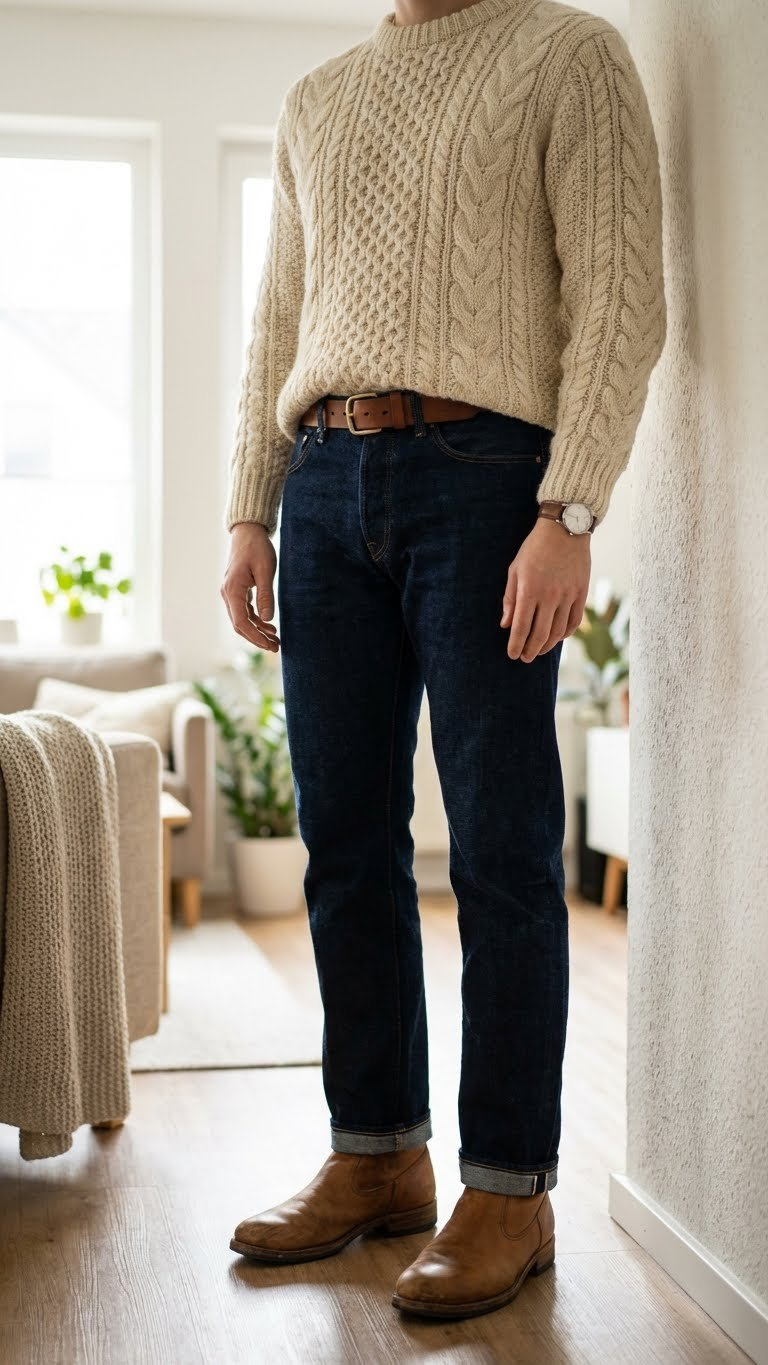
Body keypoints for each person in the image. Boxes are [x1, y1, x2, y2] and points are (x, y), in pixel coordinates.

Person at [220, 0, 665, 1322]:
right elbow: (276, 323)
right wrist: (250, 512)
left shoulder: (569, 53)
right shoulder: (318, 98)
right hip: (324, 478)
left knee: (499, 847)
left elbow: (622, 293)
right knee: (345, 843)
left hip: (487, 479)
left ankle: (511, 1191)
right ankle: (377, 1155)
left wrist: (569, 508)